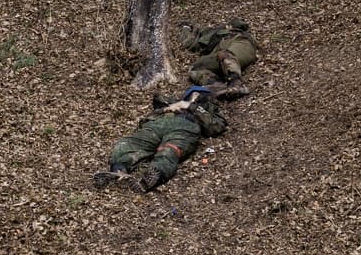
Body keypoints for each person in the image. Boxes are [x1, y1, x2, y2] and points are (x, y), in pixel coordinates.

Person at [93, 86, 227, 192]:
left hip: (185, 128)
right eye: (193, 93)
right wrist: (167, 109)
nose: (196, 96)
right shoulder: (172, 102)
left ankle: (152, 177)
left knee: (169, 151)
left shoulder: (209, 108)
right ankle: (118, 170)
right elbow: (148, 115)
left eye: (199, 94)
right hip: (157, 125)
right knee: (127, 143)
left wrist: (190, 106)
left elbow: (217, 126)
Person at [180, 19, 260, 89]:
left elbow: (241, 24)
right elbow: (189, 44)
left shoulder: (238, 35)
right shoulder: (212, 35)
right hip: (221, 54)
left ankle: (237, 84)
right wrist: (186, 29)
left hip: (240, 42)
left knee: (225, 54)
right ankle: (216, 86)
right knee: (196, 68)